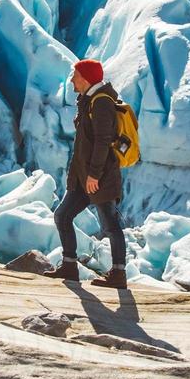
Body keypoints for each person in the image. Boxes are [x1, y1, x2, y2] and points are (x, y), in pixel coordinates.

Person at [46, 59, 128, 289]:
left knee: (111, 225)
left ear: (86, 78)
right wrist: (78, 177)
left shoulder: (101, 102)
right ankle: (70, 266)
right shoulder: (88, 100)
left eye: (75, 75)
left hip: (99, 177)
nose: (72, 80)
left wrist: (94, 175)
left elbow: (103, 141)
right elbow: (85, 143)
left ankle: (119, 275)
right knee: (62, 216)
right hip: (84, 178)